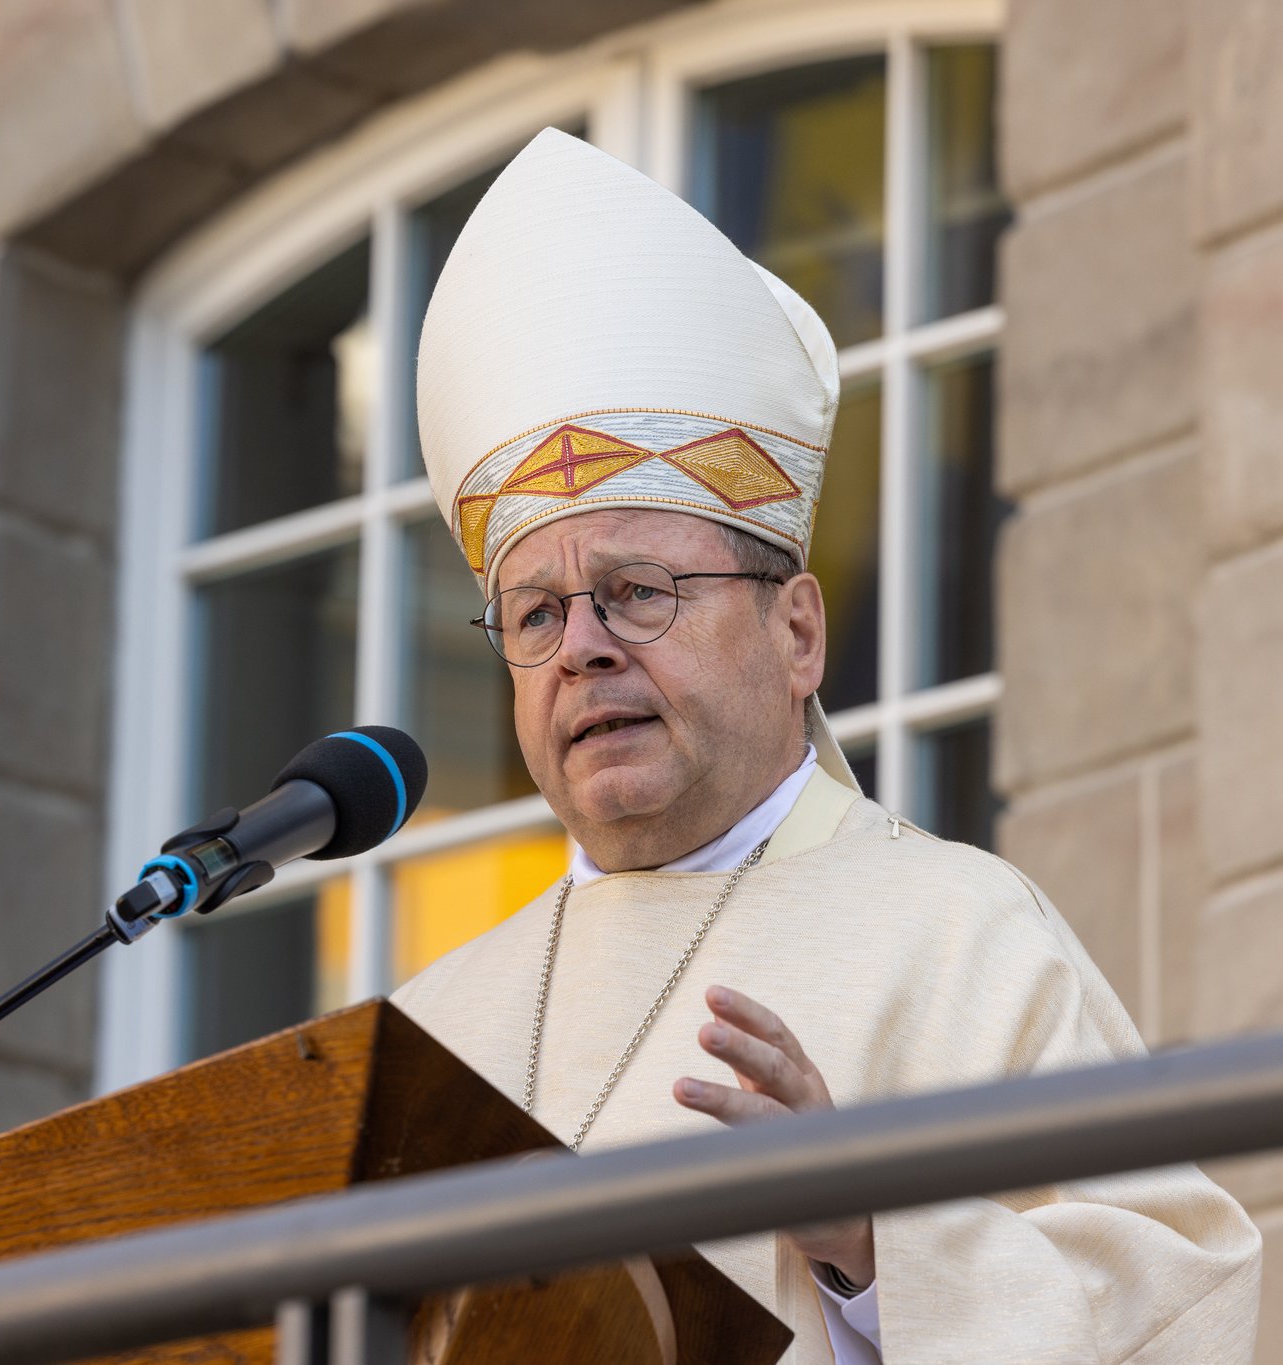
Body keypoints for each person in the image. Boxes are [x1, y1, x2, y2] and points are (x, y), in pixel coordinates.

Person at [390, 128, 1261, 1363]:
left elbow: (1177, 1305)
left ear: (795, 633)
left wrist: (870, 1238)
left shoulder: (954, 931)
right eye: (535, 615)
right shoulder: (428, 1028)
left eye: (636, 592)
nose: (581, 647)